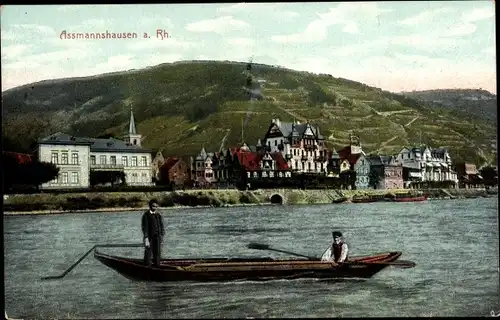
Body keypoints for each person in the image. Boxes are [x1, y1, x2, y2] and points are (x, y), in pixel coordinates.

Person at [142, 199, 165, 267]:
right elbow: (145, 227)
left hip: (158, 237)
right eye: (153, 206)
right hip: (149, 237)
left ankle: (157, 266)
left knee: (157, 253)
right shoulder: (146, 215)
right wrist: (146, 239)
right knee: (148, 252)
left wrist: (161, 236)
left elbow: (161, 226)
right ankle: (147, 266)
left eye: (156, 206)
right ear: (150, 206)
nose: (155, 208)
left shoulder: (158, 215)